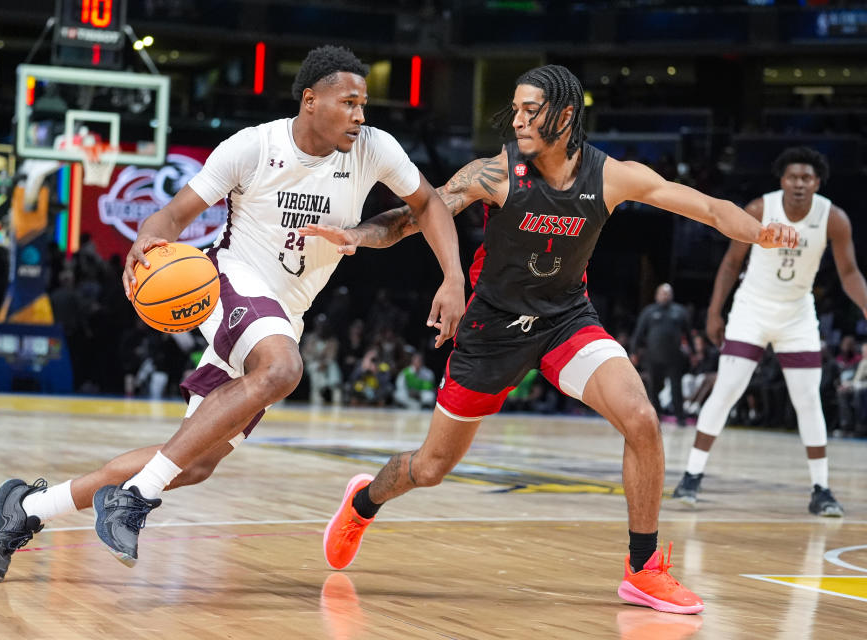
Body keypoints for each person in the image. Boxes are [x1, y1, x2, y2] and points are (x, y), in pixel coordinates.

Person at [302, 64, 796, 614]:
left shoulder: (610, 175)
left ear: (564, 114)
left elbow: (704, 206)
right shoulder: (497, 173)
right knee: (431, 468)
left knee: (641, 418)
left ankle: (644, 569)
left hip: (565, 321)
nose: (517, 119)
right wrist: (356, 236)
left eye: (529, 110)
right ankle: (363, 502)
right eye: (514, 109)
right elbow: (415, 214)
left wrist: (758, 232)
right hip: (491, 331)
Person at [0, 45, 465, 582]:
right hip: (231, 282)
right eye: (349, 103)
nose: (360, 115)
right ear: (311, 100)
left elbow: (428, 204)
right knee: (282, 369)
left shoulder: (373, 149)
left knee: (195, 463)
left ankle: (26, 509)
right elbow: (172, 214)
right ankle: (135, 496)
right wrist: (147, 246)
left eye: (363, 104)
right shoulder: (253, 147)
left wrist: (452, 277)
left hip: (285, 311)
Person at [673, 147, 867, 516]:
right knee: (727, 389)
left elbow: (849, 273)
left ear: (817, 183)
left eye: (806, 178)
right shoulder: (760, 209)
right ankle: (691, 476)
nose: (799, 183)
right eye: (792, 177)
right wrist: (715, 312)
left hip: (797, 314)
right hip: (752, 309)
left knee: (808, 400)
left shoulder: (834, 218)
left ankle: (821, 489)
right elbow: (731, 264)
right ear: (782, 181)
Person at [631, 283, 692, 425]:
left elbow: (688, 334)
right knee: (653, 387)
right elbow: (639, 333)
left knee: (676, 387)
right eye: (662, 293)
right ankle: (655, 415)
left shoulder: (680, 312)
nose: (665, 296)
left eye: (668, 293)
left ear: (672, 295)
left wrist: (693, 352)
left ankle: (680, 418)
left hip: (674, 357)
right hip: (653, 356)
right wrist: (634, 351)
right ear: (656, 295)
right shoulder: (649, 312)